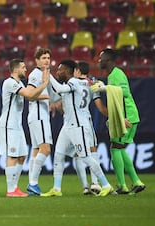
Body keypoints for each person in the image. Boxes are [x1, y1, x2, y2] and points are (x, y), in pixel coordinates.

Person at [41, 60, 113, 197]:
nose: (58, 72)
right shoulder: (80, 83)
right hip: (68, 124)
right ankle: (56, 188)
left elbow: (60, 90)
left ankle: (106, 185)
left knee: (85, 157)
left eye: (60, 69)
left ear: (69, 71)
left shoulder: (73, 82)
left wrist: (48, 74)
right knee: (58, 154)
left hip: (77, 125)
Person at [91, 48, 146, 194]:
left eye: (101, 58)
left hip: (127, 115)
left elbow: (124, 94)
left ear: (108, 60)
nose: (99, 61)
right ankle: (134, 182)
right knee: (118, 148)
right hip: (125, 115)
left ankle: (125, 185)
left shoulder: (117, 74)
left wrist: (121, 118)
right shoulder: (113, 75)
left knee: (116, 147)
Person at [0, 58, 50, 197]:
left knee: (22, 156)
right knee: (13, 155)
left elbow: (31, 97)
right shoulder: (10, 83)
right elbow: (29, 94)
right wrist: (44, 84)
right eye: (23, 67)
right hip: (8, 125)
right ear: (15, 69)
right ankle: (10, 190)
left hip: (17, 125)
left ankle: (15, 187)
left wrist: (48, 98)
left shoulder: (19, 83)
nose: (26, 69)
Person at [26, 48, 57, 196]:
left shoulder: (46, 74)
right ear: (37, 60)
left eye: (48, 58)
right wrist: (46, 97)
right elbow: (30, 95)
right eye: (43, 58)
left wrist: (50, 102)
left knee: (36, 150)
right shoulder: (35, 74)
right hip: (38, 115)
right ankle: (33, 183)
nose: (46, 60)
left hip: (37, 115)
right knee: (46, 149)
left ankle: (31, 183)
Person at [73, 61, 105, 195]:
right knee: (92, 150)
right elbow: (99, 106)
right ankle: (95, 183)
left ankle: (86, 186)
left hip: (72, 123)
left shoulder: (72, 83)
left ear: (78, 71)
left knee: (78, 153)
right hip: (85, 120)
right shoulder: (93, 83)